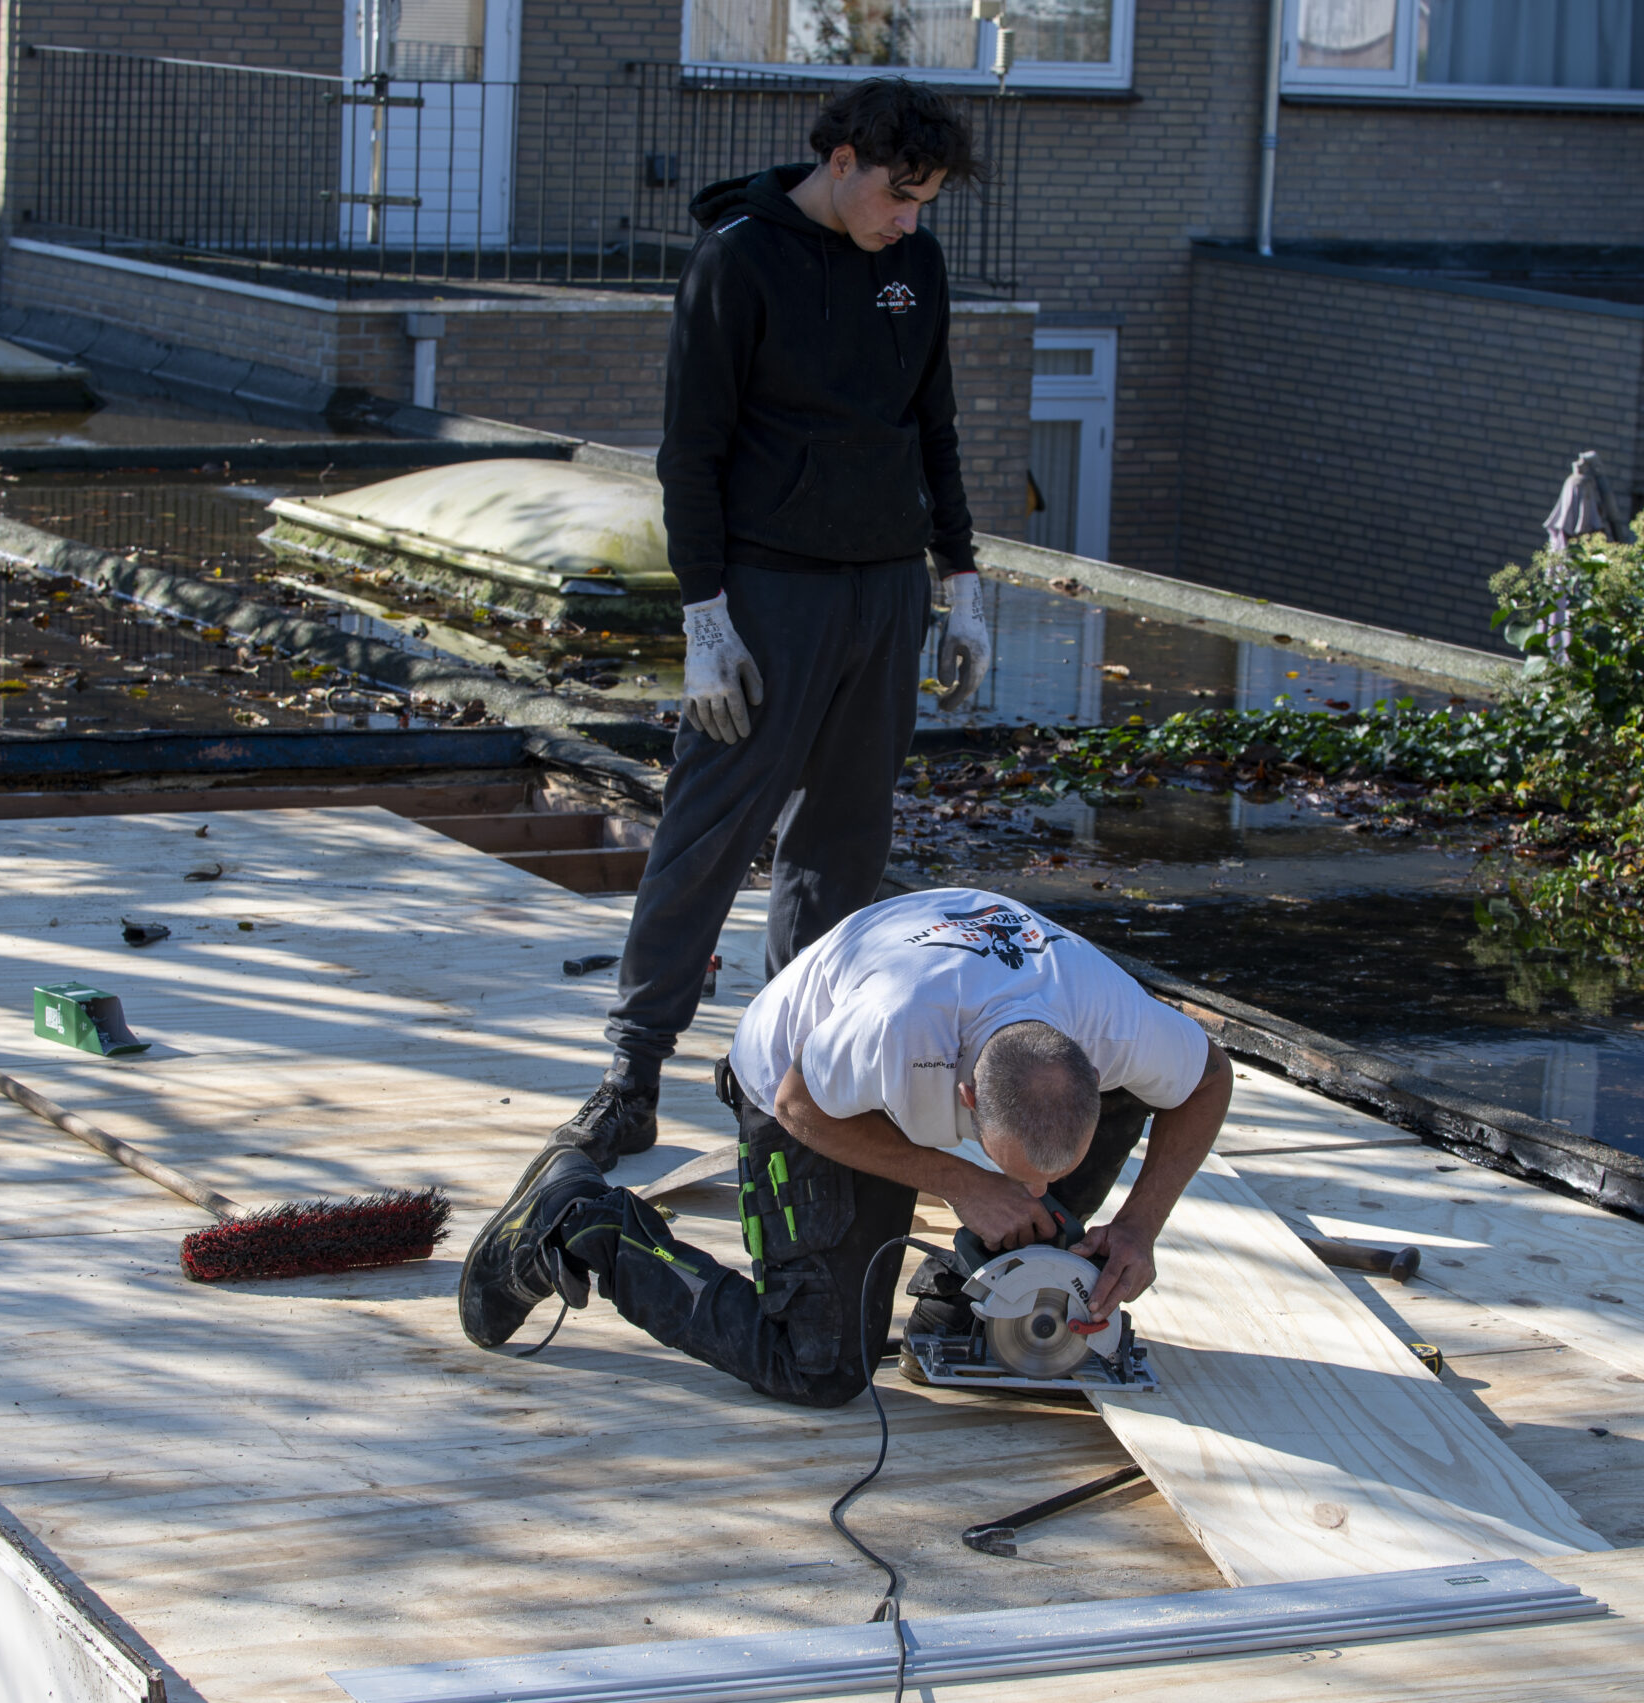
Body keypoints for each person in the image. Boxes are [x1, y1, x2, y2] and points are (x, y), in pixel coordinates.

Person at [546, 78, 997, 1173]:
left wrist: (961, 577)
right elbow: (689, 454)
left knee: (842, 846)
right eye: (900, 195)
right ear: (839, 161)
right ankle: (630, 1073)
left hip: (884, 587)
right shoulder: (737, 259)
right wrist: (706, 615)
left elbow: (930, 425)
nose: (911, 219)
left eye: (926, 201)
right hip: (769, 590)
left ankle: (788, 1075)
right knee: (708, 831)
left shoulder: (914, 267)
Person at [459, 889, 1233, 1409]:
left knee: (1154, 1093)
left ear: (1091, 1073)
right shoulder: (895, 1028)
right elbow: (801, 1104)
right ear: (964, 1100)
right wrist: (958, 1181)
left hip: (949, 1031)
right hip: (800, 1090)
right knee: (819, 1367)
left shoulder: (1114, 1023)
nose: (1036, 1200)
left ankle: (965, 1302)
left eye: (1040, 1187)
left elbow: (1209, 1078)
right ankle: (584, 1223)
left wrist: (1139, 1224)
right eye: (1025, 1182)